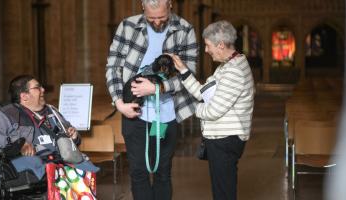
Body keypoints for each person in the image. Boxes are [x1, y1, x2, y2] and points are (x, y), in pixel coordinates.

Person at [105, 0, 198, 199]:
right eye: (151, 18)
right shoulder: (128, 26)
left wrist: (158, 88)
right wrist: (119, 103)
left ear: (170, 5)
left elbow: (189, 74)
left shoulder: (184, 29)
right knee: (138, 172)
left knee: (162, 172)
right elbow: (113, 67)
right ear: (142, 7)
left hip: (167, 114)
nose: (156, 23)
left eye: (162, 18)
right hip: (133, 112)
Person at [168, 20, 255, 200]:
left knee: (223, 193)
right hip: (222, 138)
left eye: (208, 45)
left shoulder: (234, 72)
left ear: (221, 45)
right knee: (222, 190)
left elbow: (212, 110)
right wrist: (183, 71)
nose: (206, 50)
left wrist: (191, 107)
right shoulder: (228, 65)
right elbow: (203, 93)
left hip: (225, 139)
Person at [0, 75, 97, 180]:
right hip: (33, 162)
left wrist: (75, 136)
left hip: (59, 159)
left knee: (85, 166)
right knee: (36, 164)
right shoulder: (6, 114)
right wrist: (17, 143)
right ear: (24, 96)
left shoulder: (52, 111)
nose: (43, 90)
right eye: (37, 88)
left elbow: (71, 138)